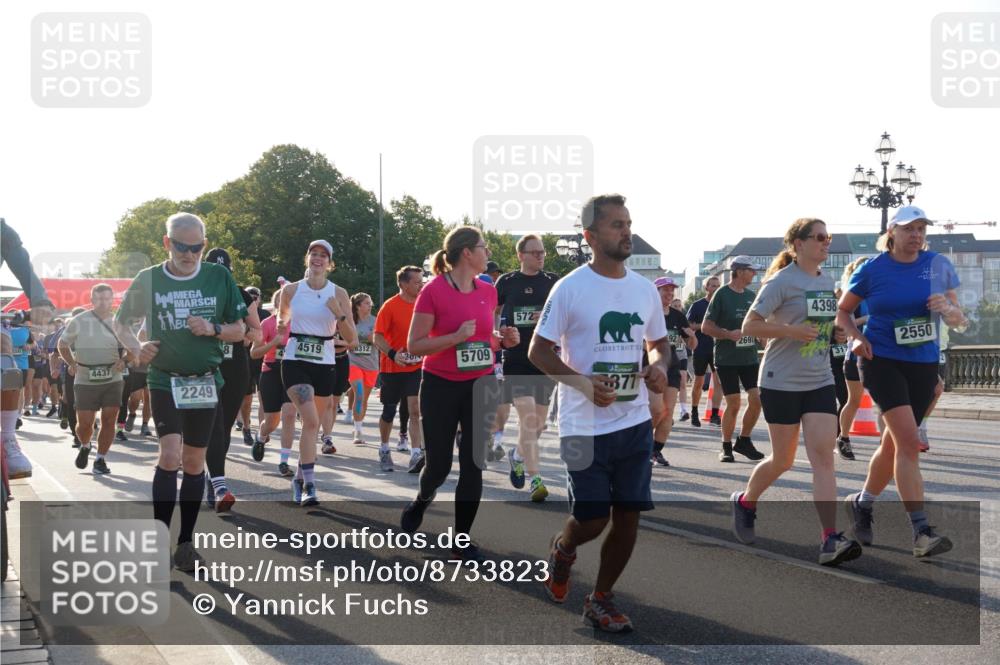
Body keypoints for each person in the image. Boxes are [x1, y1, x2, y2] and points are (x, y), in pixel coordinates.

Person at [530, 194, 669, 633]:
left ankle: (601, 598)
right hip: (582, 423)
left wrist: (659, 366)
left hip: (632, 421)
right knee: (593, 518)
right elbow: (538, 350)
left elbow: (659, 343)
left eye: (628, 223)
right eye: (616, 225)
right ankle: (564, 548)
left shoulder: (644, 289)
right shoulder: (570, 287)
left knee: (629, 513)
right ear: (590, 236)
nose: (626, 231)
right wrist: (584, 384)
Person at [114, 212, 248, 571]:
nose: (188, 254)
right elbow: (121, 323)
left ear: (204, 245)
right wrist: (135, 348)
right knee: (170, 455)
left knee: (192, 462)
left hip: (205, 380)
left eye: (195, 247)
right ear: (166, 243)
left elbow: (241, 330)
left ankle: (185, 543)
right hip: (164, 379)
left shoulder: (218, 277)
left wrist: (213, 328)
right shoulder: (150, 279)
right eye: (180, 246)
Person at [730, 219, 861, 566]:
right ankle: (745, 501)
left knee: (823, 459)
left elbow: (824, 325)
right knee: (783, 460)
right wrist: (788, 330)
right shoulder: (781, 281)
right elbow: (750, 326)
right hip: (780, 380)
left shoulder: (827, 280)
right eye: (819, 237)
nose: (825, 243)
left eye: (827, 238)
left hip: (818, 380)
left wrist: (834, 334)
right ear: (797, 244)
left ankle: (830, 538)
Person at [840, 206, 966, 559]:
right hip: (881, 361)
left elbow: (960, 322)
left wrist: (948, 310)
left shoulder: (939, 265)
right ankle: (921, 531)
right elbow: (843, 311)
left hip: (924, 363)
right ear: (892, 232)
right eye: (909, 228)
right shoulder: (873, 268)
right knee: (910, 444)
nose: (917, 235)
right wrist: (854, 337)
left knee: (894, 445)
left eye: (922, 228)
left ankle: (863, 504)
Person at [400, 227, 518, 561]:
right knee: (438, 467)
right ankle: (422, 500)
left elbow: (485, 336)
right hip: (440, 384)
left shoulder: (488, 289)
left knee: (473, 463)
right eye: (484, 247)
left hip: (479, 384)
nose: (487, 252)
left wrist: (503, 339)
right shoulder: (433, 291)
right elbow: (415, 345)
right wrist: (453, 338)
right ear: (467, 252)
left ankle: (462, 539)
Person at [277, 239, 356, 506]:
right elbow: (283, 321)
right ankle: (311, 485)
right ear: (307, 258)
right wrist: (278, 326)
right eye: (314, 253)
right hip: (295, 361)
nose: (318, 258)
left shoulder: (339, 293)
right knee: (310, 421)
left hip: (325, 362)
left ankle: (299, 477)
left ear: (330, 263)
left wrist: (339, 315)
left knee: (315, 425)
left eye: (324, 255)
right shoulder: (291, 290)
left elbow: (352, 339)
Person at [493, 234, 559, 501]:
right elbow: (492, 311)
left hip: (544, 360)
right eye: (534, 253)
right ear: (520, 255)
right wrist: (496, 334)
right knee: (529, 420)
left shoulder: (553, 282)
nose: (540, 256)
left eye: (542, 252)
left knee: (539, 425)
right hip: (517, 360)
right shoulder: (506, 282)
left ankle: (517, 455)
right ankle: (536, 480)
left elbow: (565, 313)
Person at [202, 248, 262, 512]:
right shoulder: (196, 290)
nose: (220, 274)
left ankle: (213, 477)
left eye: (224, 269)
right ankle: (214, 479)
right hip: (203, 365)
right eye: (215, 269)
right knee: (208, 425)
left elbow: (257, 334)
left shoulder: (241, 293)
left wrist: (238, 332)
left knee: (223, 427)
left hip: (235, 366)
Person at [58, 283, 129, 475]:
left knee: (109, 419)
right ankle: (85, 444)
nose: (103, 302)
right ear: (92, 300)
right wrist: (71, 363)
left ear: (112, 300)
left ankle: (100, 459)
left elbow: (133, 347)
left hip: (112, 377)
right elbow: (62, 344)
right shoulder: (79, 320)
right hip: (85, 377)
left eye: (107, 298)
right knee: (85, 424)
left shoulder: (119, 322)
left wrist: (125, 361)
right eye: (99, 299)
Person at [702, 256, 766, 463]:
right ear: (738, 271)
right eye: (751, 270)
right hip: (727, 358)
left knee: (757, 400)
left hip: (749, 357)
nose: (754, 273)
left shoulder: (751, 295)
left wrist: (764, 341)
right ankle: (726, 446)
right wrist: (728, 334)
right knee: (734, 403)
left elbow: (758, 323)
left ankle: (744, 441)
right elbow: (706, 327)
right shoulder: (721, 294)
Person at [373, 266, 426, 473]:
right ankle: (384, 449)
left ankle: (415, 454)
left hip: (416, 367)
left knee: (415, 409)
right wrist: (394, 354)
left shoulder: (424, 305)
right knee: (389, 411)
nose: (421, 285)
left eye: (422, 281)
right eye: (416, 282)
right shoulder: (390, 306)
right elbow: (377, 337)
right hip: (392, 368)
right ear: (403, 284)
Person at [648, 277, 696, 467]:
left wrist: (692, 337)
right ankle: (638, 445)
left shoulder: (678, 316)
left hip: (673, 367)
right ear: (655, 292)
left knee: (668, 413)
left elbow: (691, 344)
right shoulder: (648, 314)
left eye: (671, 290)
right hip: (652, 367)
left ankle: (655, 451)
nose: (669, 293)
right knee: (656, 410)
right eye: (664, 290)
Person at [250, 290, 296, 475]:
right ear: (276, 304)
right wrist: (274, 342)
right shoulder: (268, 323)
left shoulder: (301, 324)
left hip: (293, 373)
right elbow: (254, 353)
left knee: (290, 414)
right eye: (282, 301)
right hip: (270, 372)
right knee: (271, 421)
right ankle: (261, 437)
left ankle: (284, 461)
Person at [835, 257, 870, 460]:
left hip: (881, 352)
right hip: (855, 353)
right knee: (854, 400)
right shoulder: (851, 295)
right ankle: (843, 437)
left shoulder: (878, 294)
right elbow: (842, 324)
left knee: (885, 402)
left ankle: (888, 442)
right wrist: (866, 319)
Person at [686, 275, 724, 427]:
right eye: (713, 285)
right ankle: (694, 412)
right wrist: (703, 326)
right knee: (699, 382)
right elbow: (687, 325)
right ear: (706, 287)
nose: (715, 288)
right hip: (701, 347)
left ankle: (715, 414)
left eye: (718, 286)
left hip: (719, 347)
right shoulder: (697, 305)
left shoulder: (722, 304)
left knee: (718, 382)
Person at [347, 293, 379, 446]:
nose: (370, 305)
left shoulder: (376, 321)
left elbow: (380, 341)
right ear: (358, 306)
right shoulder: (350, 322)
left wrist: (375, 338)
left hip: (371, 364)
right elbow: (345, 340)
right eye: (367, 303)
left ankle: (358, 425)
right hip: (354, 362)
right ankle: (358, 431)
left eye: (370, 302)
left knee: (364, 399)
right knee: (359, 394)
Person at [670, 297, 692, 420]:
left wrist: (688, 335)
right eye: (675, 306)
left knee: (682, 382)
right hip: (668, 355)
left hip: (681, 354)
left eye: (679, 306)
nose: (678, 308)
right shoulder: (666, 318)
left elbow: (688, 340)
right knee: (668, 385)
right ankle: (668, 412)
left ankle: (683, 411)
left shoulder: (683, 320)